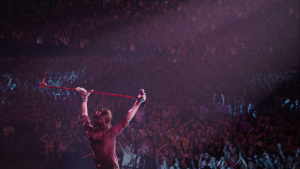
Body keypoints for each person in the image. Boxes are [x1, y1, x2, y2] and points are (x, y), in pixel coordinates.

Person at [76, 87, 146, 169]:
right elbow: (127, 118)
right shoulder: (109, 133)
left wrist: (84, 98)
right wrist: (138, 102)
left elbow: (84, 118)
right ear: (107, 120)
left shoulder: (90, 133)